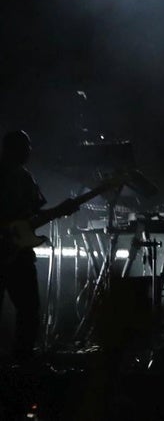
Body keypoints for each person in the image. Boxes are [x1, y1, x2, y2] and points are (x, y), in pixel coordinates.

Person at [0, 130, 77, 365]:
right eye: (25, 147)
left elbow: (33, 216)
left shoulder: (26, 177)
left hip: (20, 251)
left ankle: (22, 362)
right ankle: (20, 363)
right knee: (28, 309)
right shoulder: (14, 176)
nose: (29, 152)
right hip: (13, 251)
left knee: (29, 309)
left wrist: (59, 210)